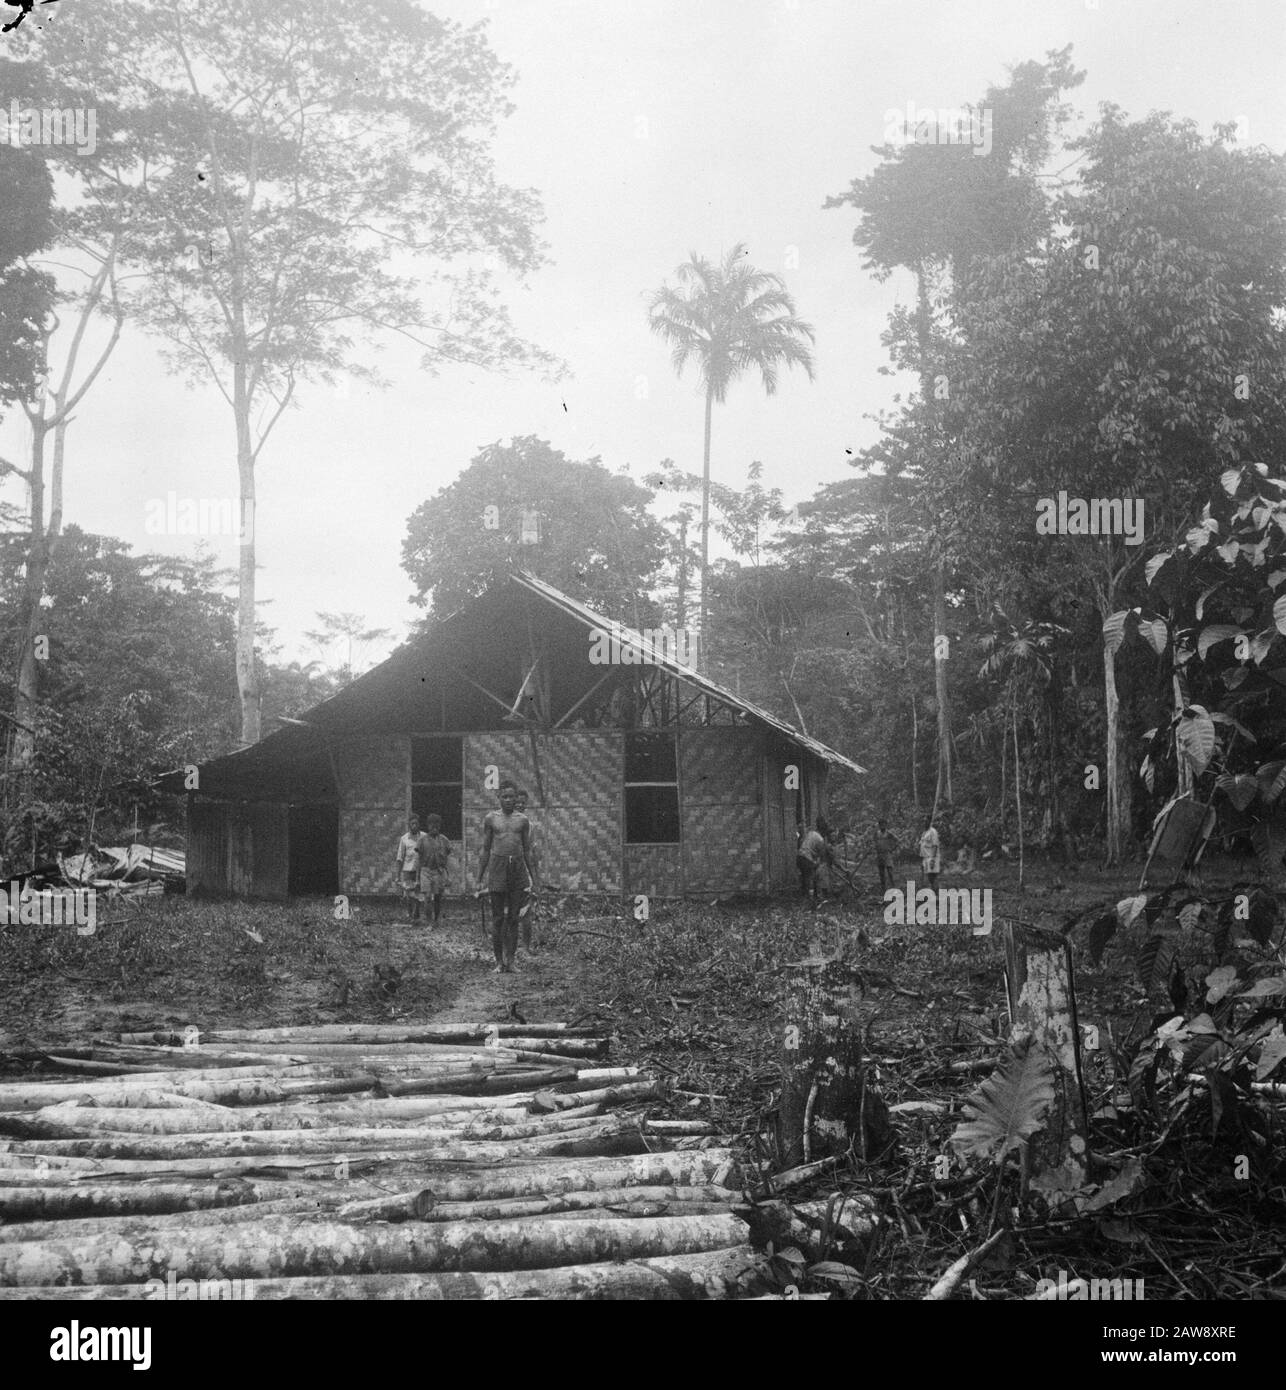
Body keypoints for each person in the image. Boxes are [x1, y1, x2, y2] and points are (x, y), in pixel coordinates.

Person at [476, 780, 533, 974]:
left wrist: (535, 879)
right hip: (498, 867)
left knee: (514, 918)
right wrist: (479, 877)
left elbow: (527, 851)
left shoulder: (522, 821)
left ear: (517, 798)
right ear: (499, 797)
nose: (509, 800)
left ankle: (511, 961)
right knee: (498, 918)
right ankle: (499, 962)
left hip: (517, 869)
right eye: (505, 796)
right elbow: (485, 849)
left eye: (512, 796)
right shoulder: (491, 819)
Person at [514, 788, 542, 951]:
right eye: (517, 801)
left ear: (526, 805)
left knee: (526, 910)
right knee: (507, 911)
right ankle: (508, 947)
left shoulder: (530, 826)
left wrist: (536, 878)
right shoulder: (503, 822)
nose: (519, 805)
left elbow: (531, 853)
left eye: (523, 803)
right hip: (507, 868)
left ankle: (525, 946)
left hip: (523, 869)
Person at [394, 815, 431, 923]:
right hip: (408, 870)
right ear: (409, 825)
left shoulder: (424, 837)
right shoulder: (404, 839)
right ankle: (410, 914)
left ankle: (416, 914)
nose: (414, 826)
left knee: (418, 893)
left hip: (420, 870)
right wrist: (397, 875)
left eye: (416, 823)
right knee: (409, 895)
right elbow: (400, 858)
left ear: (419, 824)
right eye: (412, 824)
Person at [420, 813, 452, 926]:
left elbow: (447, 856)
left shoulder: (444, 840)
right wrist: (416, 877)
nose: (434, 827)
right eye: (432, 824)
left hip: (438, 871)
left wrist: (447, 873)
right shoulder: (422, 840)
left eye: (437, 824)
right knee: (427, 897)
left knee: (438, 896)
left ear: (440, 826)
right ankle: (429, 922)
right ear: (428, 826)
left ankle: (437, 919)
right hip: (425, 871)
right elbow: (418, 858)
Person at [796, 822, 827, 904]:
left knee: (804, 877)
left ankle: (804, 896)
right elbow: (822, 855)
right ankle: (811, 898)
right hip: (806, 858)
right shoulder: (820, 839)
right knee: (811, 878)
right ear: (823, 831)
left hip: (799, 856)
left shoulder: (810, 833)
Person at [874, 819, 897, 892]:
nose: (882, 826)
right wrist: (876, 848)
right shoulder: (877, 833)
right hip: (880, 854)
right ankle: (883, 889)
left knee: (890, 872)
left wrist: (892, 849)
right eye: (881, 825)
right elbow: (875, 841)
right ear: (879, 825)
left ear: (886, 825)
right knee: (881, 873)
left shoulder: (889, 833)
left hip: (887, 854)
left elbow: (897, 840)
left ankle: (893, 887)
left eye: (884, 824)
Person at [919, 818, 941, 890]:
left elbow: (935, 845)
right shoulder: (924, 832)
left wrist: (932, 859)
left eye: (926, 821)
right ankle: (931, 893)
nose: (924, 822)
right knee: (928, 877)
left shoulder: (933, 831)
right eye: (923, 821)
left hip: (931, 857)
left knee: (932, 876)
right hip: (925, 857)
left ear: (929, 821)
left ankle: (937, 895)